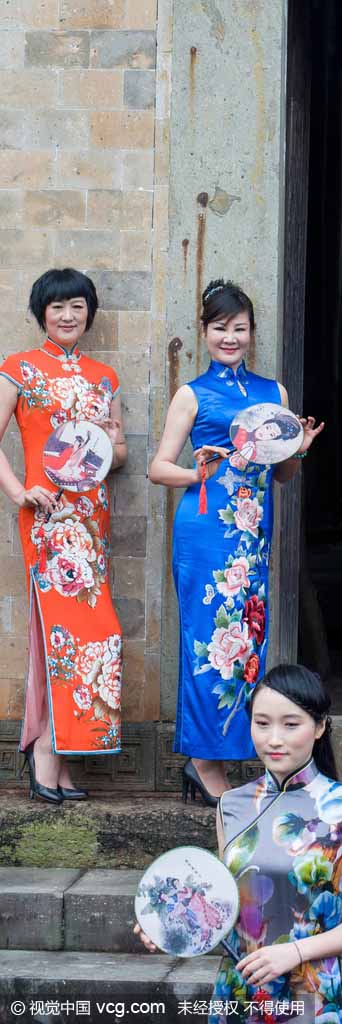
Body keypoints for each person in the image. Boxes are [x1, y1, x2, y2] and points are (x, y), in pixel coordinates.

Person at [149, 280, 324, 804]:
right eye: (221, 328)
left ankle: (222, 755)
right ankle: (203, 762)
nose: (231, 337)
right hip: (205, 533)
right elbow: (159, 468)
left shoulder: (276, 394)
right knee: (208, 642)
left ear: (252, 332)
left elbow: (285, 477)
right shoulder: (192, 394)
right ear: (204, 332)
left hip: (250, 537)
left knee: (246, 645)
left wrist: (300, 449)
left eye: (240, 328)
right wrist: (199, 472)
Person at [136, 664, 342, 1023]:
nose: (274, 739)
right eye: (262, 723)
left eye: (290, 724)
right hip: (239, 989)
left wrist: (295, 952)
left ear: (319, 727)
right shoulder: (230, 805)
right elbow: (226, 908)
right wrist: (167, 924)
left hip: (310, 992)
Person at [0, 268, 127, 803]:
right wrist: (18, 492)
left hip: (91, 519)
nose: (68, 315)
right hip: (49, 518)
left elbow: (118, 455)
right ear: (41, 314)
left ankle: (56, 752)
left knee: (78, 637)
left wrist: (106, 445)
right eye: (57, 308)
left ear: (89, 313)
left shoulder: (105, 377)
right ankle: (49, 748)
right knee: (78, 634)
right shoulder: (20, 369)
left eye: (78, 306)